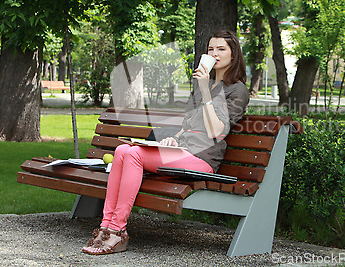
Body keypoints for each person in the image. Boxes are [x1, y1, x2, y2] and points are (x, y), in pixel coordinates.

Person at [82, 30, 249, 255]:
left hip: (203, 159)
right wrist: (174, 138)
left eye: (221, 49)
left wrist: (204, 91)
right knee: (122, 149)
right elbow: (187, 124)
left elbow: (216, 131)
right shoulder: (203, 85)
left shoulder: (237, 90)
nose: (215, 54)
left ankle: (118, 231)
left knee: (133, 154)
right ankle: (106, 227)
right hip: (183, 151)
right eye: (211, 49)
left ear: (233, 54)